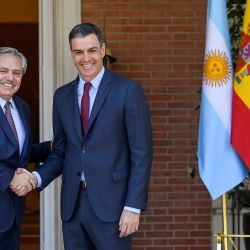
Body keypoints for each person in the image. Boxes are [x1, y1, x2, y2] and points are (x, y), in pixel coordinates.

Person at [29, 23, 152, 250]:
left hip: (113, 207)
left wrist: (133, 207)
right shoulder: (62, 96)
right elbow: (61, 152)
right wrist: (35, 178)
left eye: (92, 50)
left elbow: (141, 154)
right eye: (79, 52)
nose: (86, 58)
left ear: (103, 50)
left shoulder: (127, 91)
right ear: (72, 53)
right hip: (73, 208)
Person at [0, 47, 51, 250]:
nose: (9, 77)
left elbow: (21, 153)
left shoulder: (21, 107)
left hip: (12, 213)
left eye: (16, 72)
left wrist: (54, 146)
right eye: (3, 70)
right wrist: (9, 177)